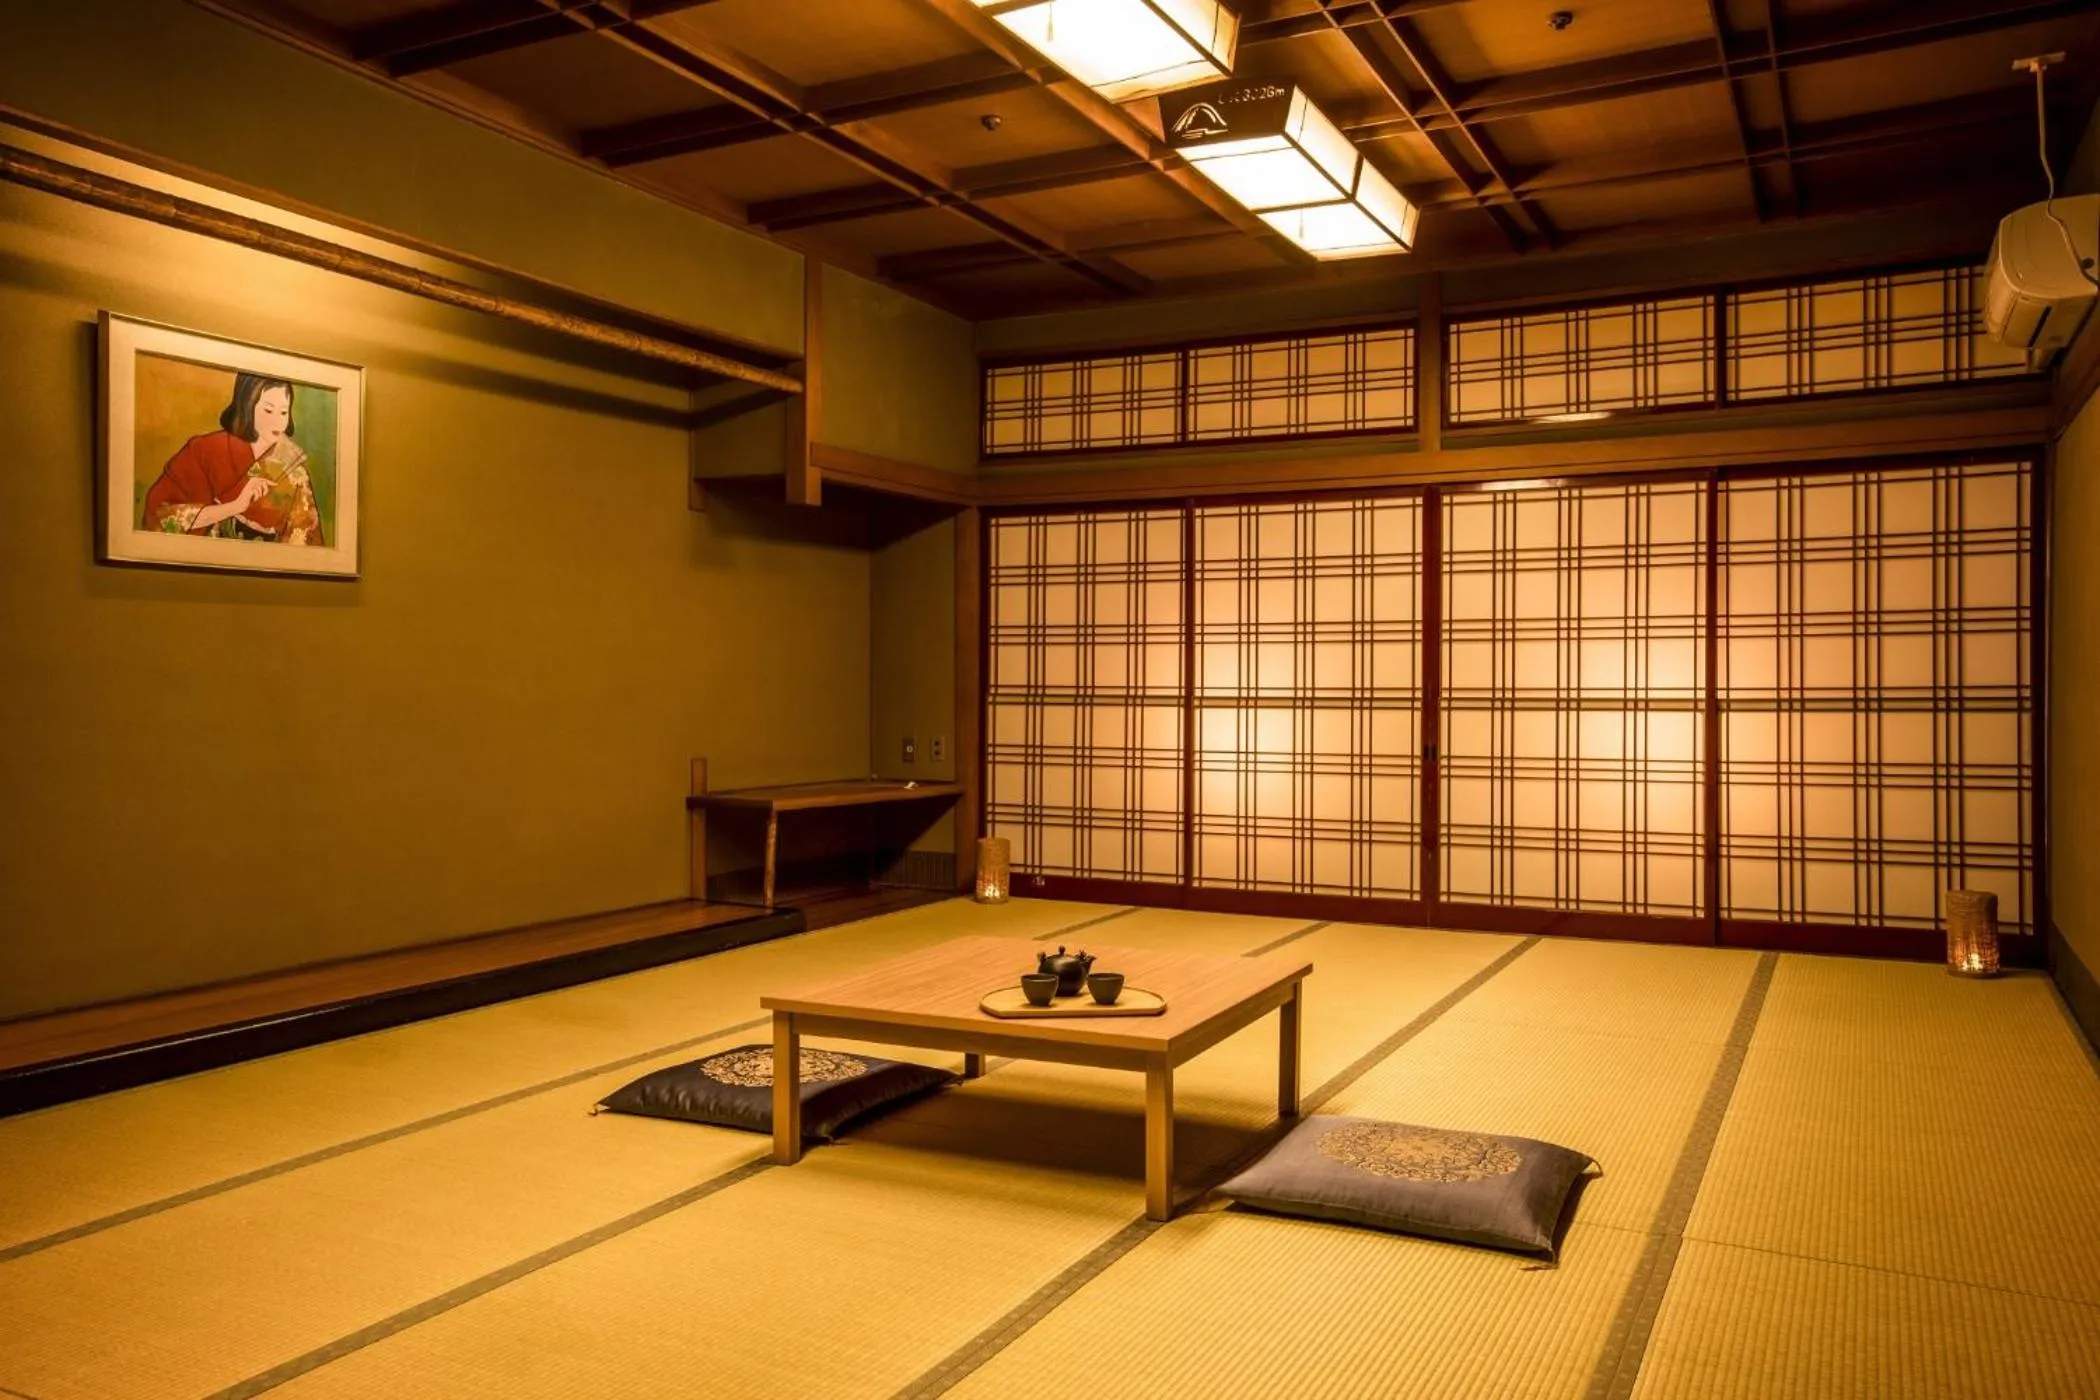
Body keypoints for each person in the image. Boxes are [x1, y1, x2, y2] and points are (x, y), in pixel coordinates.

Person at [140, 374, 325, 545]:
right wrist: (234, 507)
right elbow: (159, 515)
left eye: (283, 412)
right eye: (268, 411)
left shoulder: (292, 469)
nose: (277, 422)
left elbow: (305, 539)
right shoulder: (204, 450)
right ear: (247, 406)